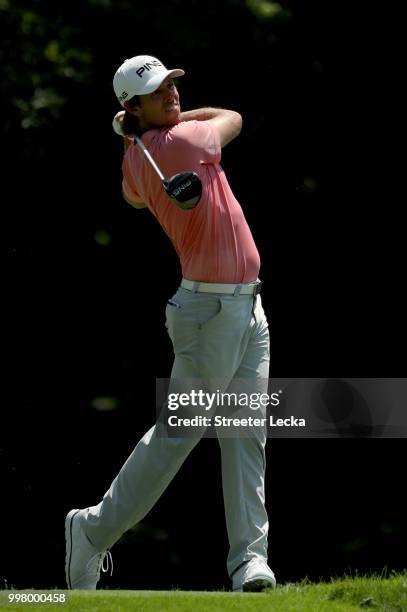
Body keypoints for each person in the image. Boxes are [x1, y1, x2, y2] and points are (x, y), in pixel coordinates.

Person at [65, 54, 276, 593]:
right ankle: (92, 529)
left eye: (172, 86)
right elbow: (233, 116)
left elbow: (131, 198)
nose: (173, 97)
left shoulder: (138, 158)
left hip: (246, 308)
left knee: (245, 433)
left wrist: (135, 129)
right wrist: (162, 127)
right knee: (178, 435)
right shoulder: (181, 143)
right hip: (210, 315)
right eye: (158, 92)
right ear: (132, 105)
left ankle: (249, 562)